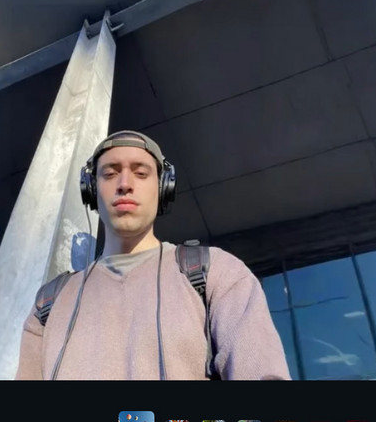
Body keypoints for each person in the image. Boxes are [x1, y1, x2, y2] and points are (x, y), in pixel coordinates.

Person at [15, 130, 291, 380]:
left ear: (163, 188)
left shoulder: (218, 272)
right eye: (109, 174)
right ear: (91, 190)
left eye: (140, 173)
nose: (125, 184)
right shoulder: (49, 302)